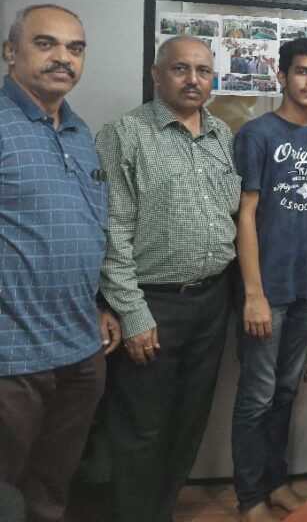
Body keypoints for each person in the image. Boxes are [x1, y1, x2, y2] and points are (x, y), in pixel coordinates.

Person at [97, 35, 241, 522]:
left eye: (203, 71)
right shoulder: (125, 134)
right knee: (142, 429)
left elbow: (233, 216)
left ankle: (162, 512)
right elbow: (112, 231)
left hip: (212, 299)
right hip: (152, 304)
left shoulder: (222, 136)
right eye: (181, 69)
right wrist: (133, 314)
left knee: (188, 421)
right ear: (157, 75)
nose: (193, 80)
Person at [0, 4, 120, 522]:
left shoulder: (79, 133)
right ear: (10, 52)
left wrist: (98, 304)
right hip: (12, 357)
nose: (63, 58)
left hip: (79, 348)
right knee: (5, 489)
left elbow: (85, 228)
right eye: (45, 43)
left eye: (75, 48)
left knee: (51, 489)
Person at [231, 38, 307, 521]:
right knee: (256, 398)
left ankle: (276, 483)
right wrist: (253, 294)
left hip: (304, 289)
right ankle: (250, 498)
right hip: (266, 291)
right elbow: (245, 214)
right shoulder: (257, 134)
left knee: (285, 393)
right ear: (282, 77)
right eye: (302, 72)